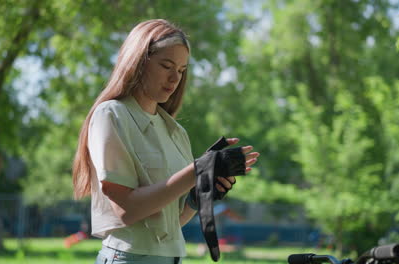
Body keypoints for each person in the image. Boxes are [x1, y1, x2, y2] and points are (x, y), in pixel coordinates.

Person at [72, 19, 260, 264]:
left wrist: (199, 193)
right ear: (138, 61)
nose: (175, 78)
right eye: (166, 66)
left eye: (182, 70)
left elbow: (170, 222)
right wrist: (197, 170)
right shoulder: (111, 115)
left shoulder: (176, 131)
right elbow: (127, 210)